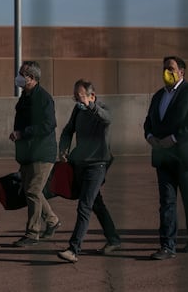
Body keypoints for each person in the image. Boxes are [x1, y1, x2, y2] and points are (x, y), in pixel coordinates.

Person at [57, 79, 121, 263]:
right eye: (75, 97)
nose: (77, 101)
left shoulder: (101, 110)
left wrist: (91, 106)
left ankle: (73, 248)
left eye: (81, 96)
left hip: (97, 165)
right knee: (96, 204)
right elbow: (68, 130)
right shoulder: (78, 110)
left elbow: (107, 119)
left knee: (84, 205)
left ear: (92, 96)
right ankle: (114, 239)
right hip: (80, 164)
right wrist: (64, 148)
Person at [143, 56, 188, 260]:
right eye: (165, 69)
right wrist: (149, 136)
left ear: (181, 72)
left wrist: (174, 138)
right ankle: (167, 245)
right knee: (167, 203)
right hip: (163, 158)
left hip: (186, 158)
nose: (167, 72)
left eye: (171, 68)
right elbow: (148, 121)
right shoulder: (158, 96)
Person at [9, 61, 60, 247]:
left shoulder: (43, 98)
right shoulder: (25, 96)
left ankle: (32, 233)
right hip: (27, 152)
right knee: (32, 190)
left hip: (41, 152)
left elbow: (49, 124)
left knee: (33, 191)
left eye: (22, 74)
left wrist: (23, 133)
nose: (19, 77)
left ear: (31, 78)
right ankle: (53, 221)